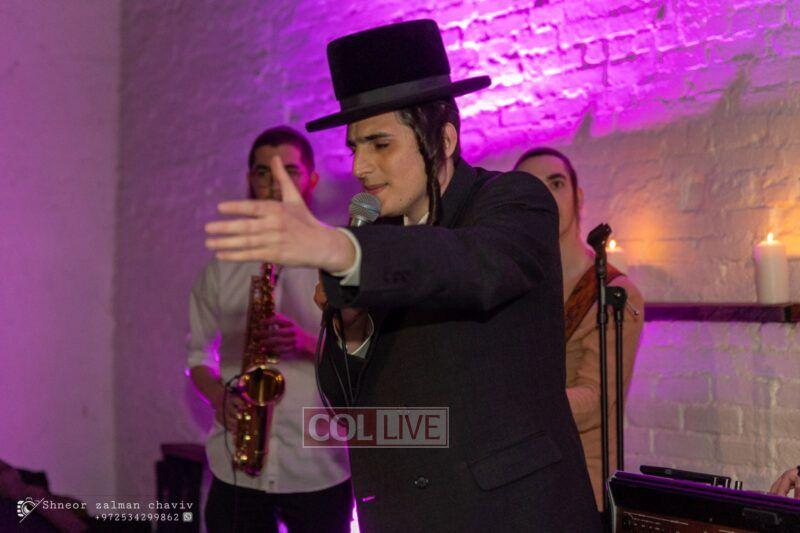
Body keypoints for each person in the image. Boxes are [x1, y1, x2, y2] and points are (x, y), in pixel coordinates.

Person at [205, 20, 600, 532]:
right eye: (355, 148)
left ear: (443, 139)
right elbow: (344, 402)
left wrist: (342, 251)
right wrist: (350, 324)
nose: (361, 167)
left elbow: (474, 266)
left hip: (508, 514)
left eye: (380, 144)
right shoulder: (374, 238)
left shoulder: (511, 200)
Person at [187, 126, 352, 533]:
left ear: (311, 179)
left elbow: (367, 354)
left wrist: (307, 342)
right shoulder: (222, 268)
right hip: (236, 467)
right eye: (263, 172)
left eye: (290, 171)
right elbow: (198, 356)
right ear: (250, 180)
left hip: (318, 465)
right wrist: (218, 397)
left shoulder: (339, 259)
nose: (276, 183)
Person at [515, 148, 645, 509]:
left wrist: (510, 403)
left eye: (555, 184)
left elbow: (595, 398)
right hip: (520, 479)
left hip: (581, 483)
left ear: (578, 197)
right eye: (530, 187)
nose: (545, 196)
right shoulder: (514, 287)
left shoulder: (614, 293)